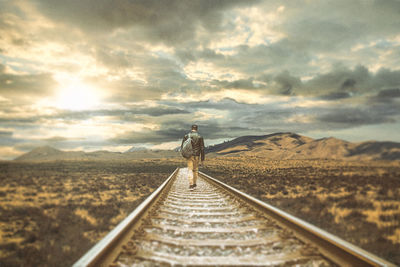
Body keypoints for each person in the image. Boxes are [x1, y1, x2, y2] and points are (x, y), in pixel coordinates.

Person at [181, 124, 205, 190]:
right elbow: (202, 148)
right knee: (195, 170)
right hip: (197, 156)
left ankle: (191, 184)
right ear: (197, 129)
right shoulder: (200, 137)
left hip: (189, 155)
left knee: (190, 170)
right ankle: (194, 184)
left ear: (191, 128)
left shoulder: (186, 136)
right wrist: (202, 159)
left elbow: (182, 147)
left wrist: (184, 155)